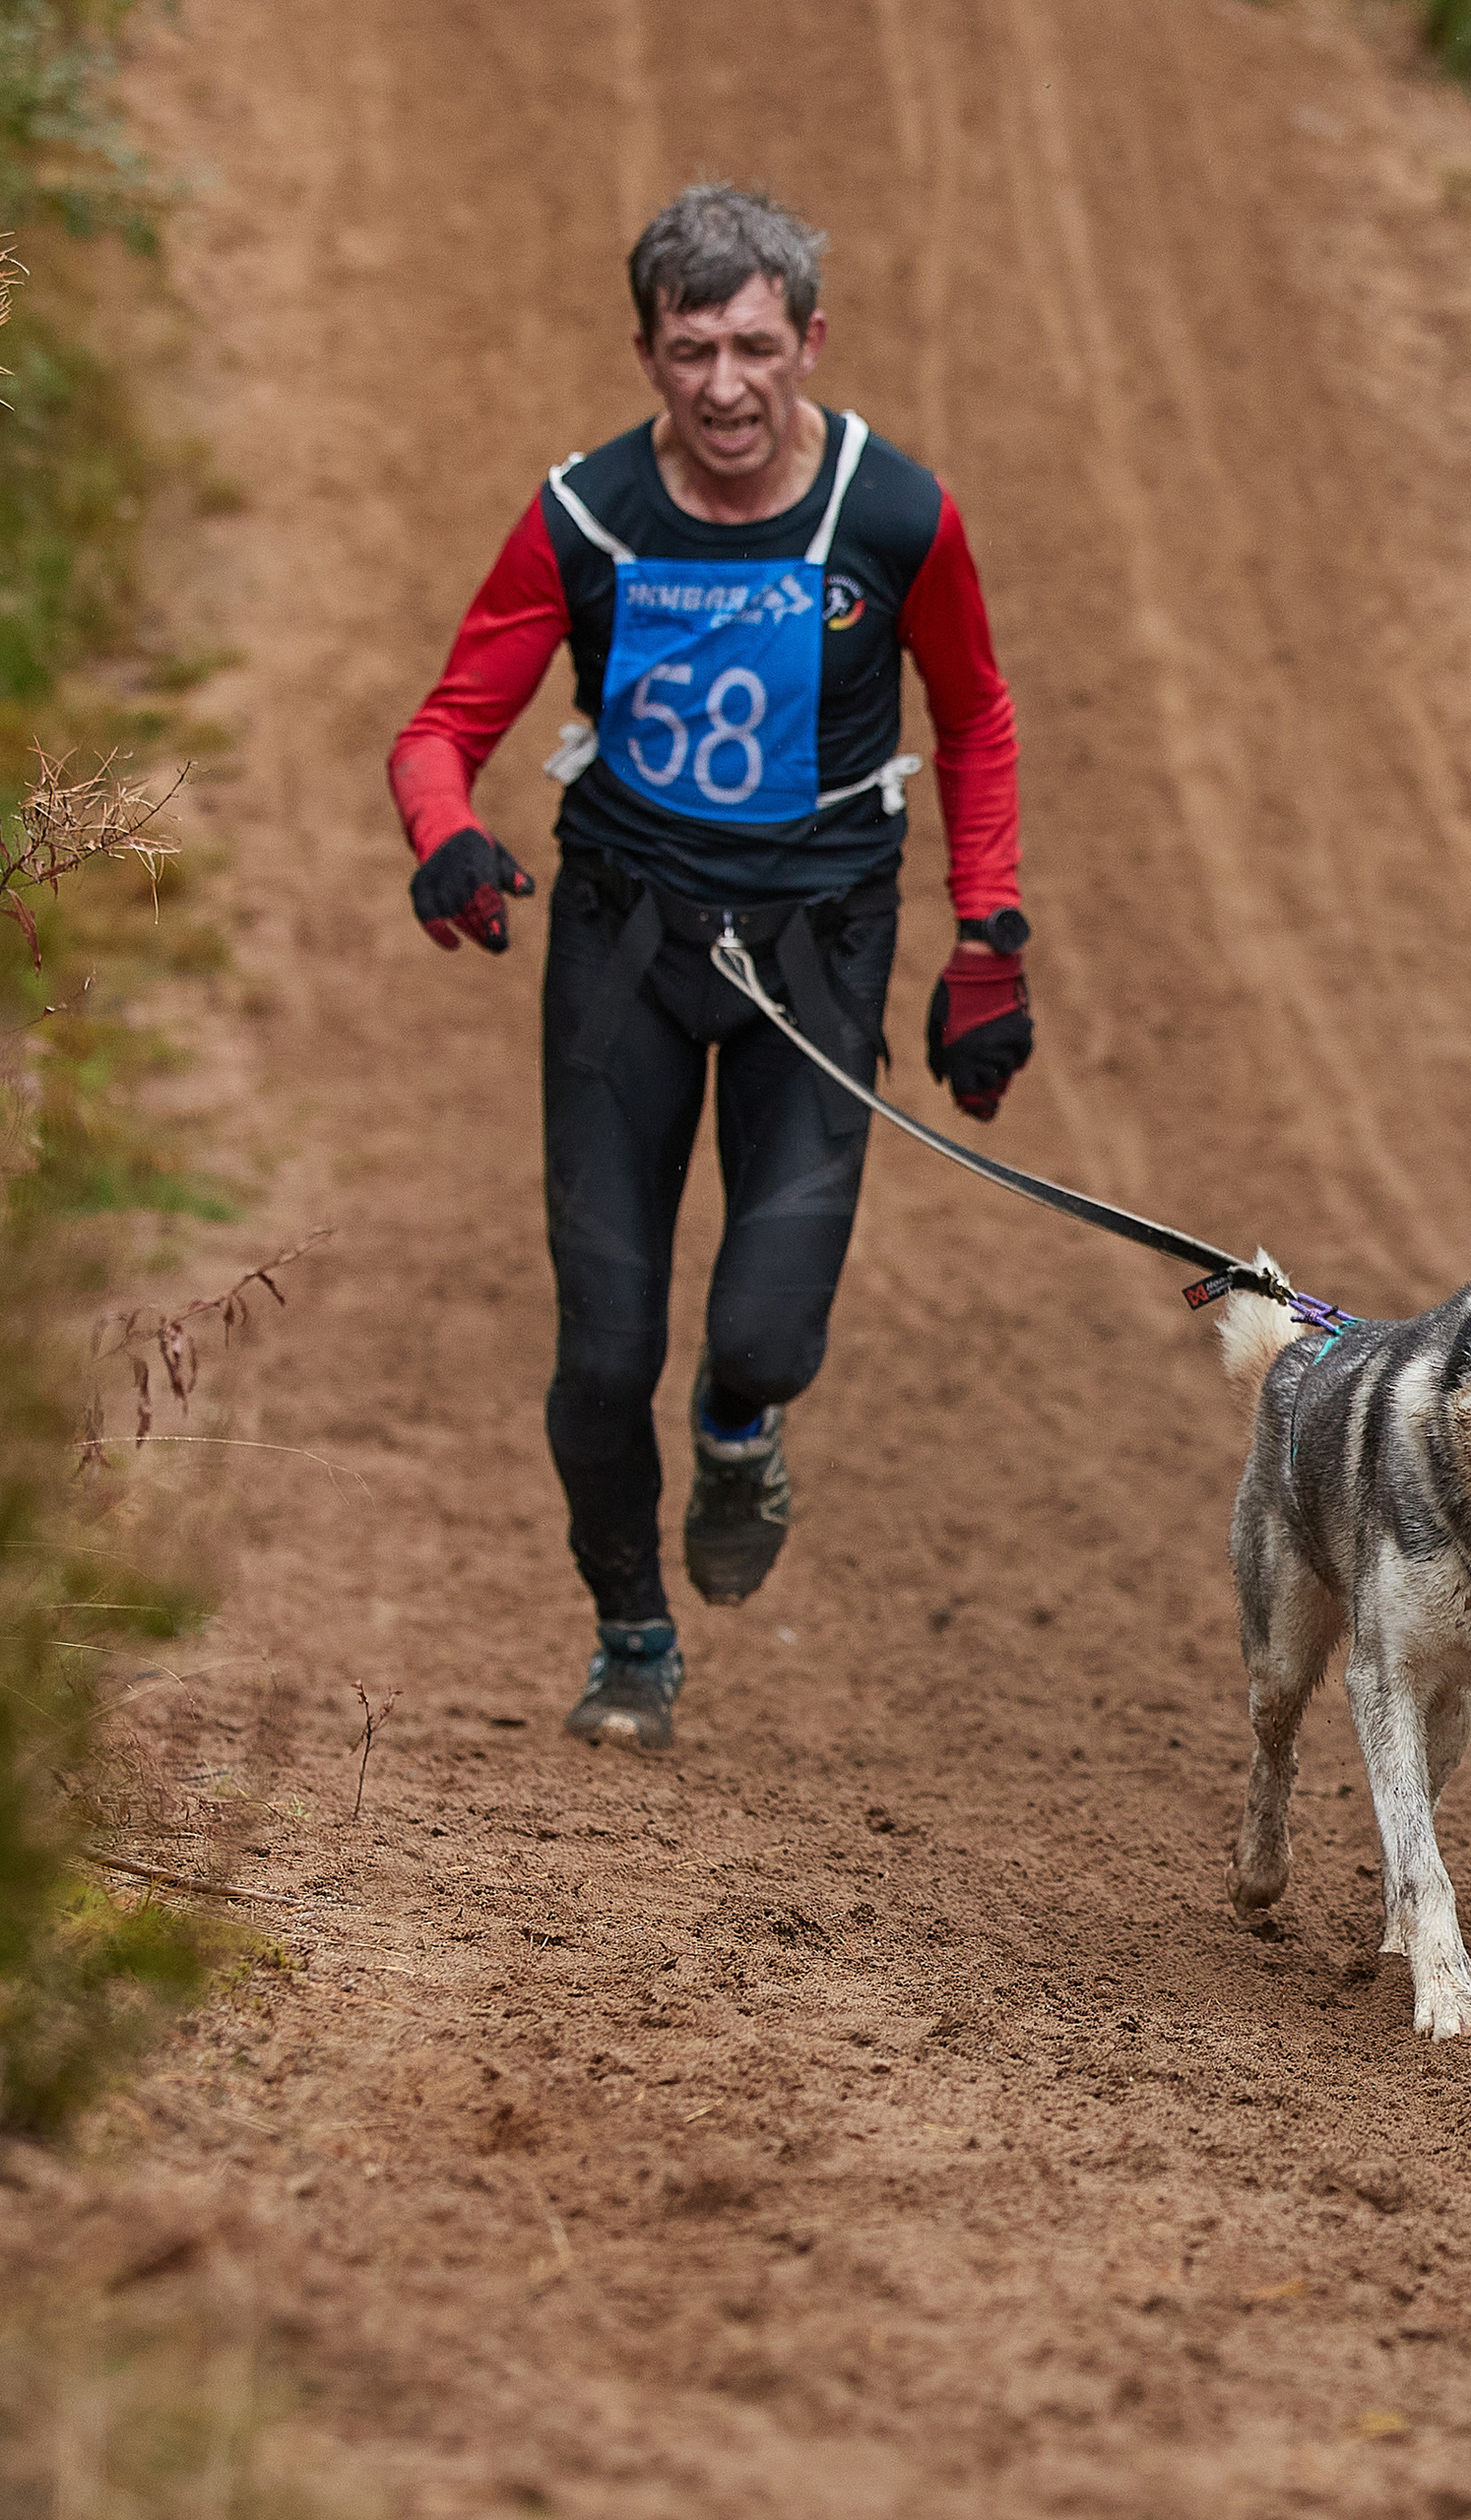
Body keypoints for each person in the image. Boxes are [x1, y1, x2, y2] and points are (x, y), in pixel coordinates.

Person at [388, 185, 1032, 1750]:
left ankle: (741, 1431)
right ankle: (630, 1636)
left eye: (755, 346)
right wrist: (446, 836)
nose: (726, 386)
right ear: (647, 353)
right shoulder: (585, 516)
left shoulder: (896, 514)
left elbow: (977, 718)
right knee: (604, 1351)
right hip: (624, 943)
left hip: (819, 945)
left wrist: (987, 938)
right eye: (692, 352)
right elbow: (442, 727)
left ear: (811, 341)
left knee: (761, 1338)